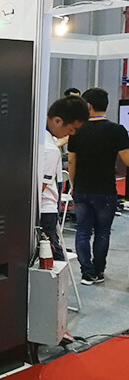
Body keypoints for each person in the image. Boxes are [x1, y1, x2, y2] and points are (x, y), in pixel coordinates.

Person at [68, 87, 129, 285]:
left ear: (88, 106)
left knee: (83, 232)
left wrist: (73, 184)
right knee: (103, 233)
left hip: (82, 189)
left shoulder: (77, 130)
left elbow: (71, 161)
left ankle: (87, 273)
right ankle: (98, 270)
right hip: (105, 190)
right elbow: (127, 160)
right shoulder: (117, 130)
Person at [41, 96, 89, 262]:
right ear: (57, 121)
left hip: (41, 210)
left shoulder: (41, 137)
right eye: (72, 129)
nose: (73, 134)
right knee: (54, 259)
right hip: (44, 211)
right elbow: (39, 188)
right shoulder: (49, 149)